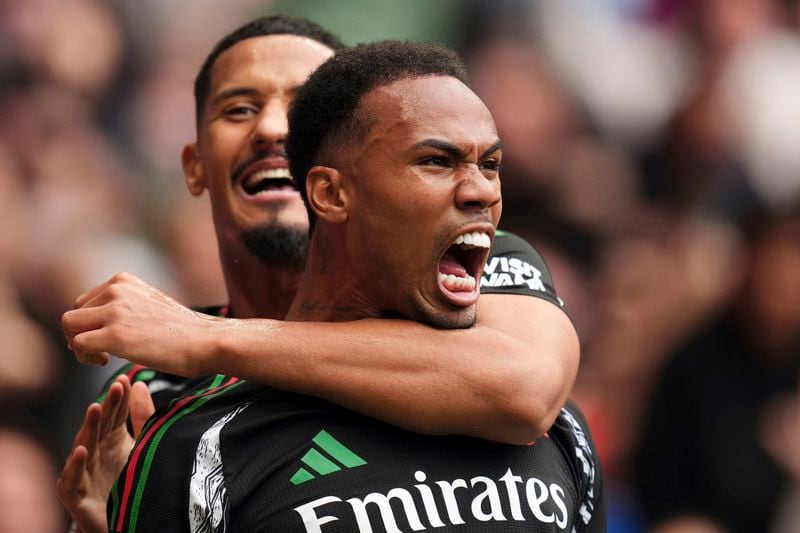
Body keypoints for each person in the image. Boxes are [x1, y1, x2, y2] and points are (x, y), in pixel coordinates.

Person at [60, 16, 581, 532]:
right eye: (240, 108)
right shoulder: (161, 404)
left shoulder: (490, 274)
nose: (275, 130)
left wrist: (205, 337)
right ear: (194, 165)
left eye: (303, 105)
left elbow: (522, 389)